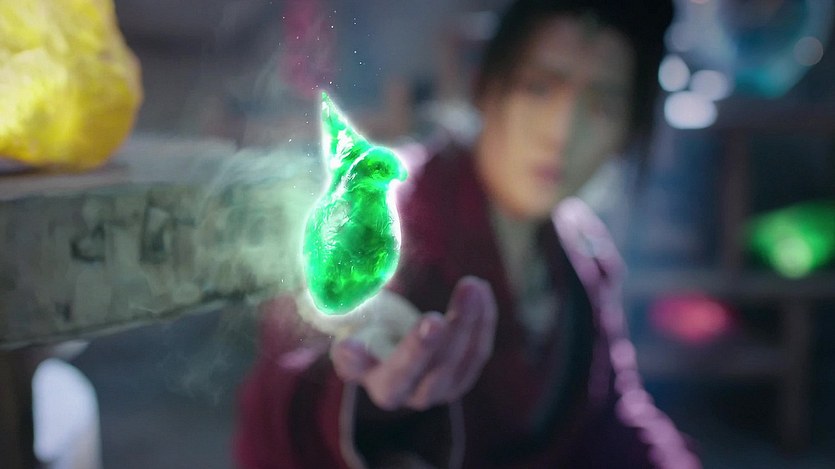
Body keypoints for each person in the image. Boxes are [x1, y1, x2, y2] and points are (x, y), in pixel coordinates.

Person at [234, 0, 700, 467]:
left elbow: (612, 416)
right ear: (488, 85)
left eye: (602, 105)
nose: (562, 131)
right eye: (539, 88)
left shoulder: (584, 254)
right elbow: (288, 382)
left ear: (629, 130)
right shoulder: (387, 210)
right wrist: (362, 398)